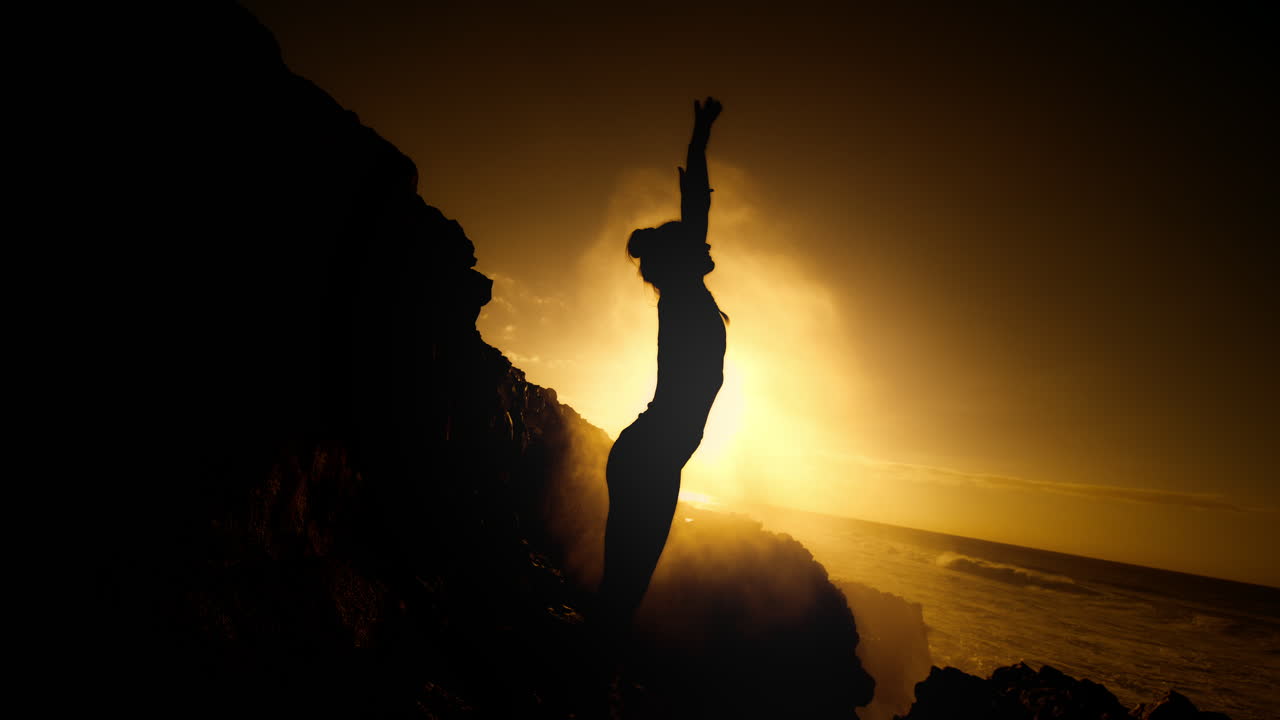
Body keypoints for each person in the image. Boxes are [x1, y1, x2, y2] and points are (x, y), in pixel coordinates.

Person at [595, 97, 727, 645]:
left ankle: (594, 673)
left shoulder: (683, 293)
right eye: (694, 241)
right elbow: (696, 202)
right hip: (650, 455)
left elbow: (695, 213)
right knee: (622, 591)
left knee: (624, 591)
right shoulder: (680, 294)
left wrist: (700, 139)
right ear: (680, 257)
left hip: (652, 456)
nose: (708, 245)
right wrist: (698, 140)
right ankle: (591, 679)